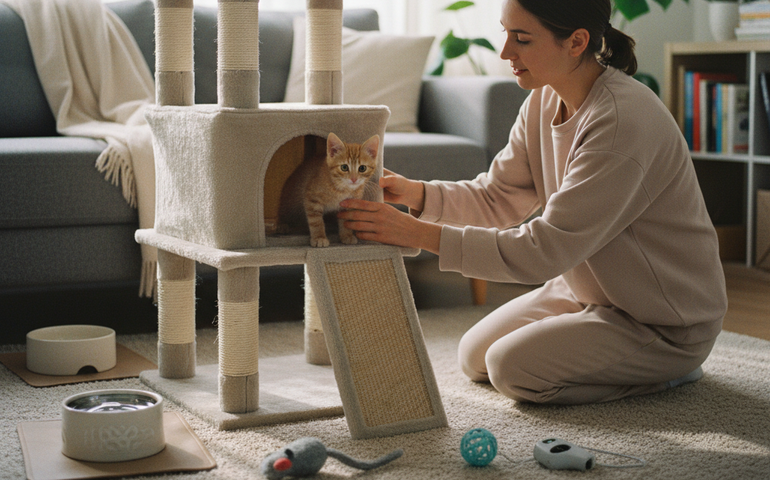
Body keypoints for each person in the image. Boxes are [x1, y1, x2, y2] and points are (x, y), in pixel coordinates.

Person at [337, 0, 727, 405]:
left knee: (512, 371)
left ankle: (672, 370)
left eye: (522, 38)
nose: (505, 52)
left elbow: (543, 250)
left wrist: (418, 234)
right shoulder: (542, 101)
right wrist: (417, 194)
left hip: (662, 321)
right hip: (590, 292)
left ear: (576, 42)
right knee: (475, 357)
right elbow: (498, 195)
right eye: (506, 32)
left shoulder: (620, 123)